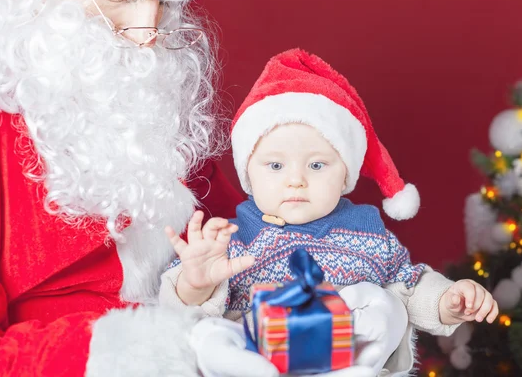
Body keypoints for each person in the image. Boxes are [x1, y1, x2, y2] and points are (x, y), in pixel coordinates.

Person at [161, 49, 499, 376]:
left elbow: (409, 285)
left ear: (345, 175)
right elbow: (178, 311)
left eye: (317, 165)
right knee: (205, 336)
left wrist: (448, 299)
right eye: (276, 165)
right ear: (249, 173)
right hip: (260, 350)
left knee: (384, 304)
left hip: (342, 355)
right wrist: (196, 283)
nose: (296, 180)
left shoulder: (366, 234)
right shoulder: (229, 239)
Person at [0, 0, 243, 375]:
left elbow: (245, 237)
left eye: (163, 3)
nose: (149, 33)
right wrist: (140, 354)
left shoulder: (155, 98)